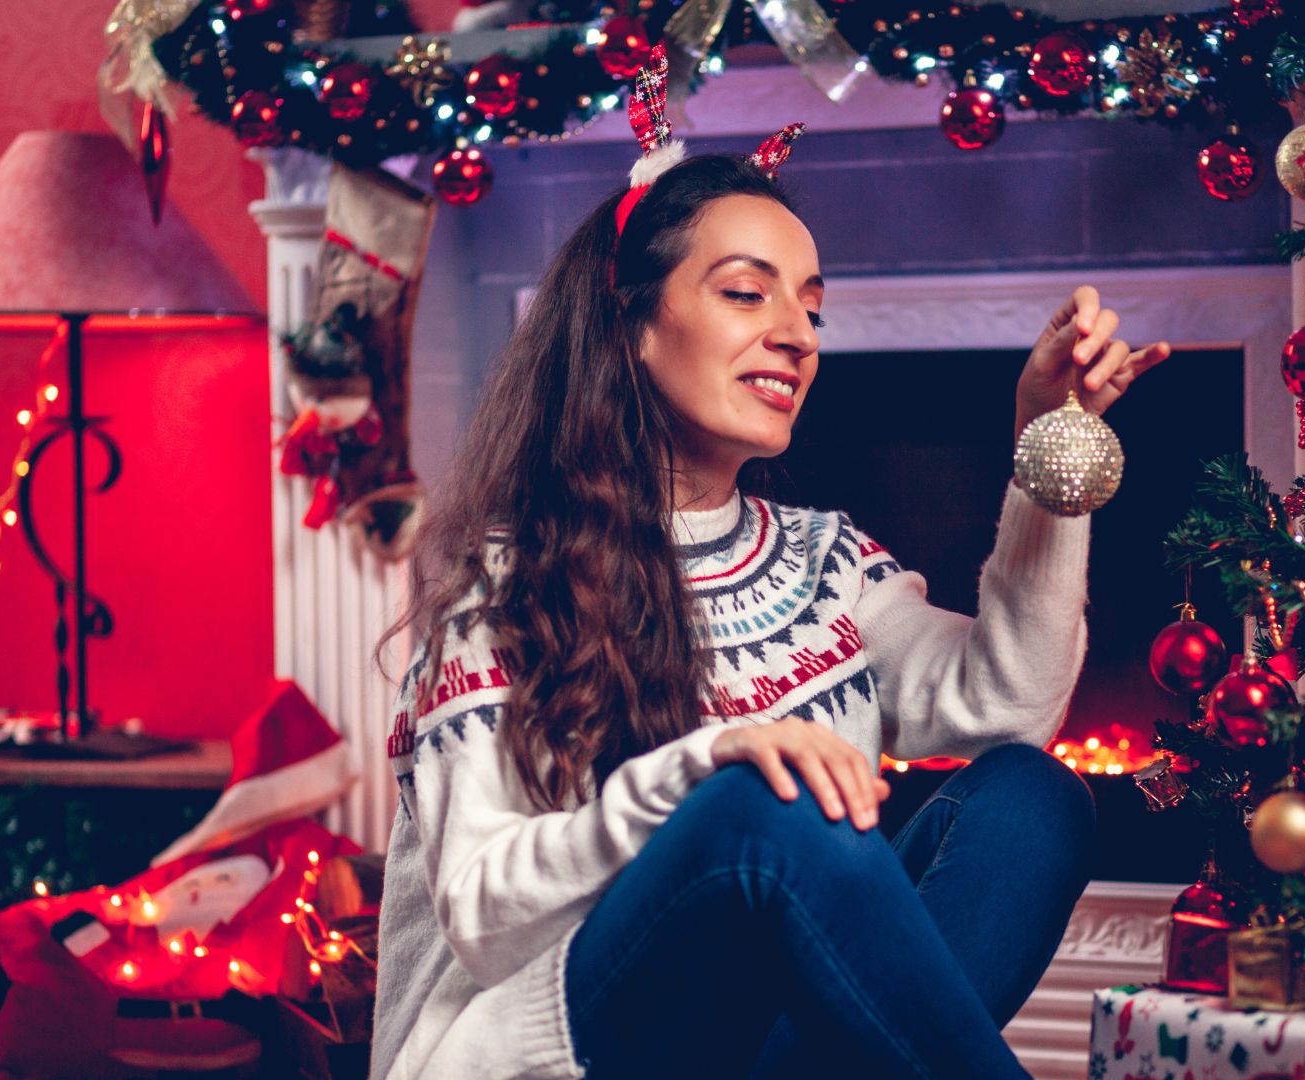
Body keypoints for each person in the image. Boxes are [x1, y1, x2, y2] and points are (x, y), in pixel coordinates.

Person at [371, 47, 1173, 1080]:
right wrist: (709, 768)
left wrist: (1044, 448)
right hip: (547, 1051)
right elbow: (482, 908)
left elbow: (1007, 706)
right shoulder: (504, 585)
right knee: (767, 803)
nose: (798, 335)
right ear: (632, 327)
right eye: (750, 295)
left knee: (1030, 799)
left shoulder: (819, 561)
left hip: (758, 1051)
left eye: (813, 308)